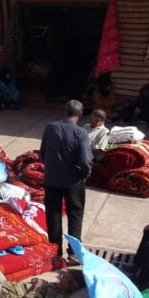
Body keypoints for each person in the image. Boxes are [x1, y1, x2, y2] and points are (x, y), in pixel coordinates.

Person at [40, 100, 93, 256]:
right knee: (75, 215)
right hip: (73, 181)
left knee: (53, 215)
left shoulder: (50, 128)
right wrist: (83, 175)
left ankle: (55, 252)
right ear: (80, 114)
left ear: (64, 111)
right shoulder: (81, 133)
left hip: (52, 180)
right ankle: (74, 252)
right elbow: (86, 160)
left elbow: (42, 152)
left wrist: (51, 169)